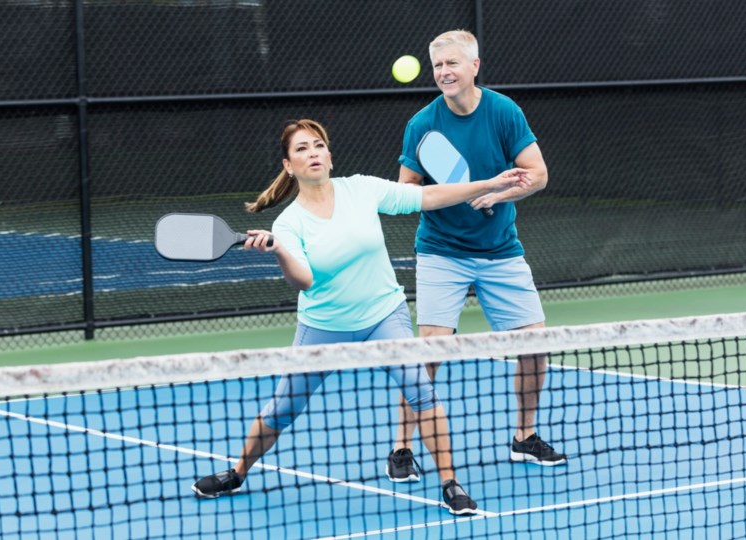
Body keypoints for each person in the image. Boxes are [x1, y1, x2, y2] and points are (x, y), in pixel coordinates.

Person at [191, 118, 531, 515]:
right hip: (324, 325)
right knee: (284, 407)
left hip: (383, 314)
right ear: (288, 165)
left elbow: (429, 196)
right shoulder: (289, 223)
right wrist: (279, 250)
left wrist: (490, 185)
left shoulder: (362, 189)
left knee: (421, 390)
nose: (312, 153)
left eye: (318, 145)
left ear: (330, 156)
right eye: (301, 149)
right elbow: (304, 281)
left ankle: (450, 483)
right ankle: (237, 472)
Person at [386, 30, 567, 484]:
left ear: (474, 67)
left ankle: (524, 436)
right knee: (428, 353)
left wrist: (499, 193)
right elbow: (405, 191)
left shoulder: (504, 112)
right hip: (442, 251)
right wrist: (451, 193)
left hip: (501, 251)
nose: (444, 72)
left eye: (452, 64)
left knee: (535, 346)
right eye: (438, 66)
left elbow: (539, 174)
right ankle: (402, 446)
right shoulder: (422, 124)